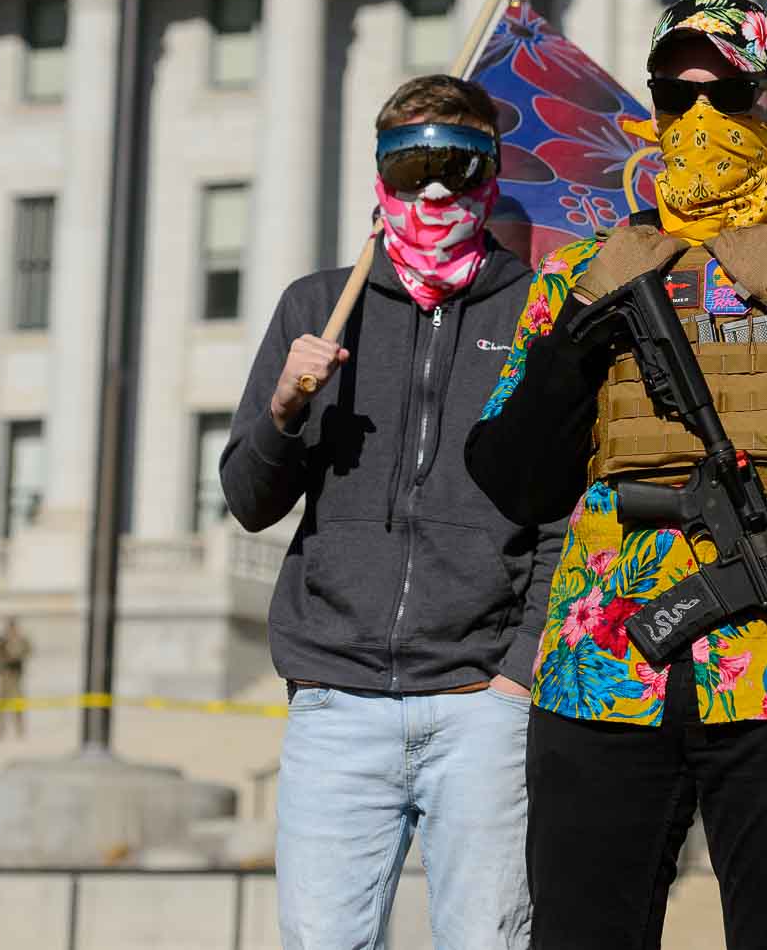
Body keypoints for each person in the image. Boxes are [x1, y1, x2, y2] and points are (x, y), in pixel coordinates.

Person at [464, 0, 767, 950]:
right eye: (672, 94)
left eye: (725, 93)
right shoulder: (587, 270)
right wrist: (586, 320)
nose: (697, 119)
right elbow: (511, 481)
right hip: (601, 674)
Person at [221, 74, 555, 950]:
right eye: (410, 168)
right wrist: (286, 409)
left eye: (458, 163)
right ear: (379, 179)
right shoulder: (315, 306)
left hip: (482, 704)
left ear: (493, 173)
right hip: (335, 700)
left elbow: (566, 512)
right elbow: (247, 501)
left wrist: (517, 672)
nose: (435, 191)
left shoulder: (540, 314)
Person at [0, 616, 31, 740]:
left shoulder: (21, 640)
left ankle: (19, 730)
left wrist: (14, 655)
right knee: (0, 705)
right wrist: (0, 646)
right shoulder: (2, 640)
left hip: (15, 678)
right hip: (4, 677)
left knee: (17, 705)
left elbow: (26, 652)